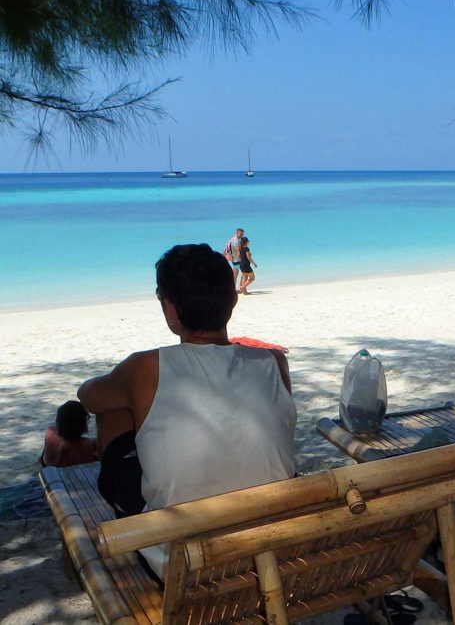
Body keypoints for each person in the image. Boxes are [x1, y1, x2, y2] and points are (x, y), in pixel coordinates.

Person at [78, 243, 295, 578]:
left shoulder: (145, 367)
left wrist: (129, 393)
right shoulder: (272, 361)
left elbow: (88, 397)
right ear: (233, 302)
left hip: (182, 566)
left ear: (170, 311)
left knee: (116, 410)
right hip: (275, 548)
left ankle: (128, 505)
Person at [40, 400, 98, 467]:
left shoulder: (50, 432)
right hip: (66, 474)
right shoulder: (85, 444)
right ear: (82, 425)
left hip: (47, 471)